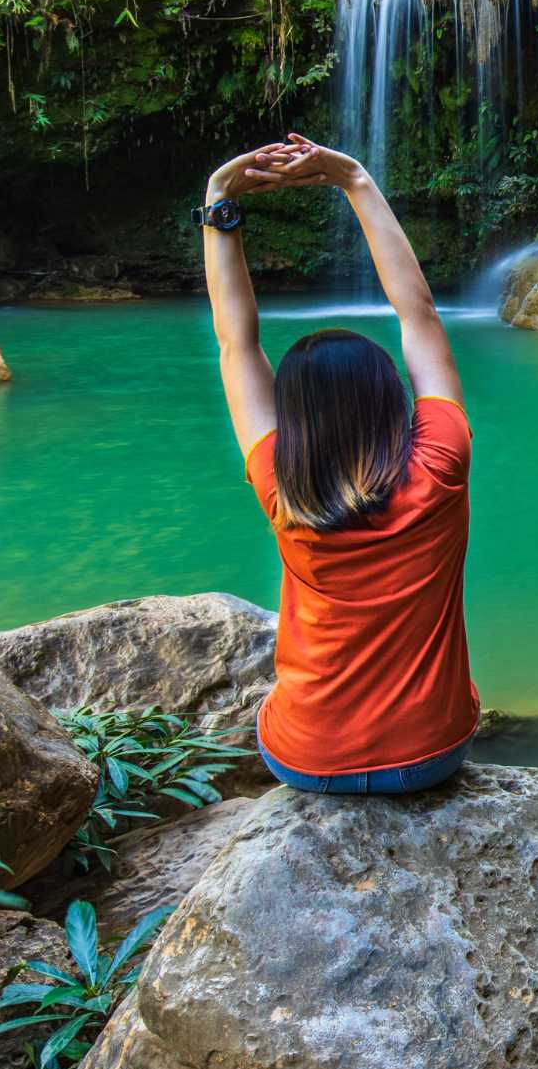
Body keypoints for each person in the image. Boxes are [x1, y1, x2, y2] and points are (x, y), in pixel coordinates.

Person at [199, 134, 478, 794]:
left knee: (273, 705)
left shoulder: (282, 484)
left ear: (291, 418)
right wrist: (353, 177)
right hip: (433, 754)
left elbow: (237, 344)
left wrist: (219, 206)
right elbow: (419, 314)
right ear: (392, 396)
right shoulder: (441, 462)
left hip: (307, 761)